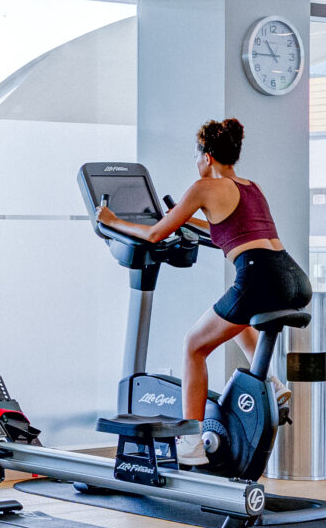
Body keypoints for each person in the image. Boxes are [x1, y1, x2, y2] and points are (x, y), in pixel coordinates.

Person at [95, 117, 312, 467]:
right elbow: (226, 232)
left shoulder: (203, 187)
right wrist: (183, 218)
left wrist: (110, 220)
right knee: (235, 317)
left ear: (207, 156)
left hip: (259, 277)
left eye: (197, 155)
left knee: (194, 346)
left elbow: (153, 236)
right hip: (293, 278)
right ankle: (271, 382)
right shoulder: (250, 186)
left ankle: (192, 442)